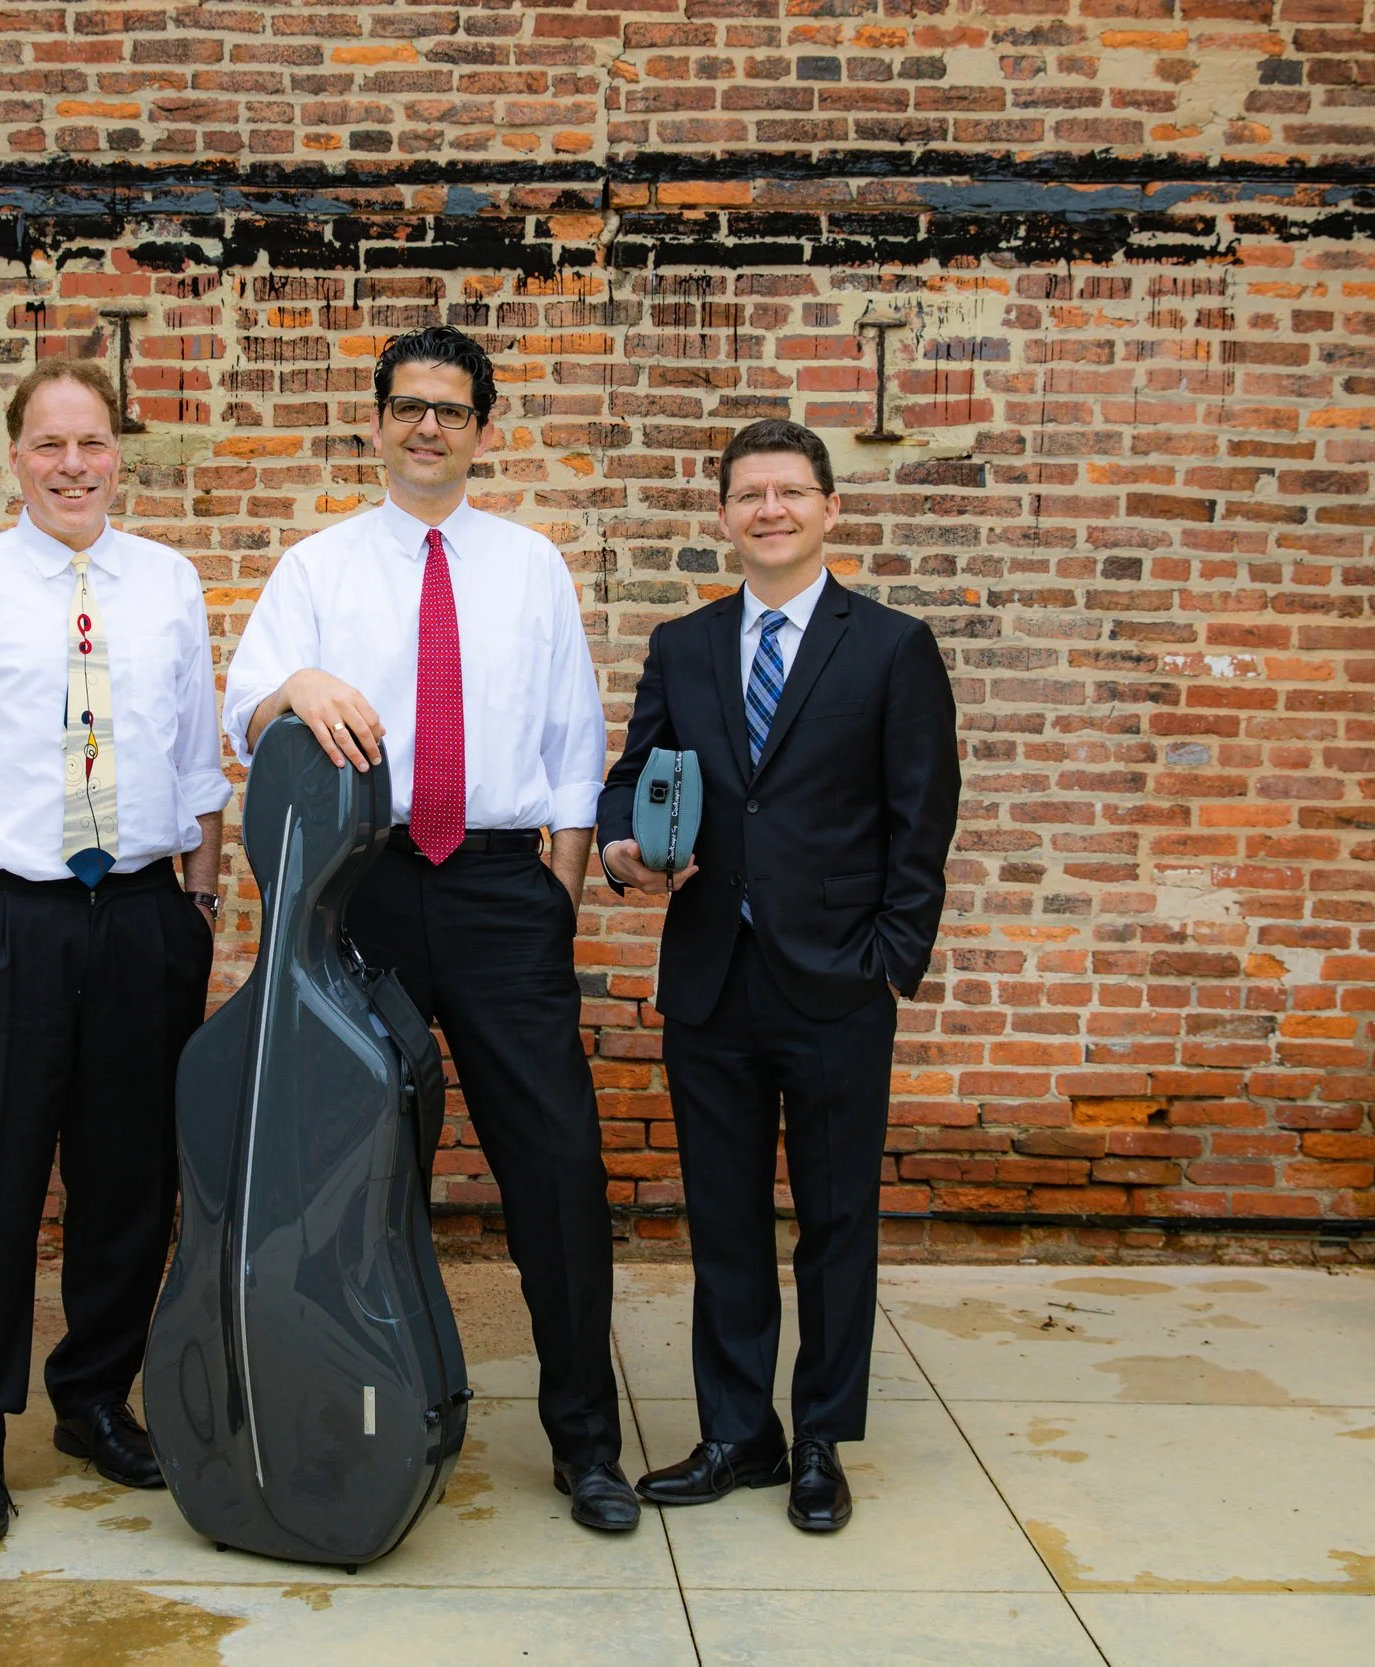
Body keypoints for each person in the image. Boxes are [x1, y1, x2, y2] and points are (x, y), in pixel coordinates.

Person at [221, 325, 639, 1533]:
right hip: (367, 885)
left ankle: (586, 1442)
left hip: (504, 891)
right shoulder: (319, 565)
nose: (426, 428)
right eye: (406, 407)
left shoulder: (531, 566)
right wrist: (296, 687)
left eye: (450, 411)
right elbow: (243, 711)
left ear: (482, 430)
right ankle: (347, 1406)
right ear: (375, 423)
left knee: (554, 1168)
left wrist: (554, 890)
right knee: (351, 1167)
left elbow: (572, 746)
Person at [0, 358, 231, 1543]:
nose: (72, 465)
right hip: (5, 920)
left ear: (118, 453)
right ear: (14, 457)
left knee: (131, 1182)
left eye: (91, 443)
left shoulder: (168, 582)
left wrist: (202, 902)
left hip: (140, 913)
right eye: (48, 445)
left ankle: (94, 1399)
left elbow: (194, 761)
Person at [595, 418, 959, 1534]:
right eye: (747, 493)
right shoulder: (684, 644)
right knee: (724, 1219)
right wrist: (620, 851)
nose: (768, 510)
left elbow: (921, 817)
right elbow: (629, 781)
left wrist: (887, 963)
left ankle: (817, 1439)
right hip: (712, 976)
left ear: (829, 508)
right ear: (721, 516)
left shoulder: (891, 647)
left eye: (790, 491)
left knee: (838, 1219)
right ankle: (734, 1431)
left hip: (837, 982)